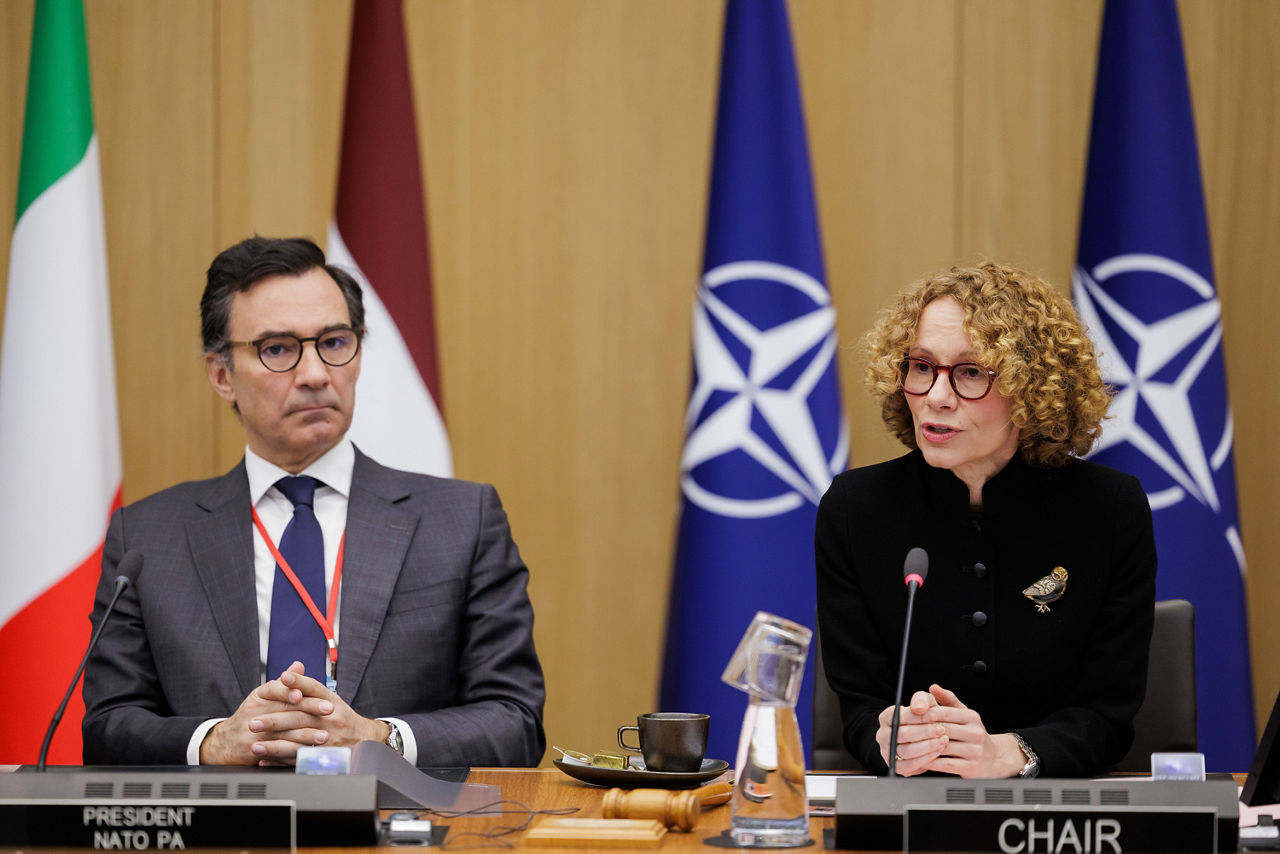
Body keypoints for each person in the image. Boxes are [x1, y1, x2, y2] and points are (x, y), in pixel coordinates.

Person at [82, 236, 545, 768]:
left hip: (398, 818)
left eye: (334, 342)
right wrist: (214, 742)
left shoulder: (462, 522)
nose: (316, 374)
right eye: (278, 349)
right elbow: (108, 727)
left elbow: (516, 720)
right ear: (221, 375)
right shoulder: (147, 539)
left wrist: (380, 739)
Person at [815, 262, 1156, 778]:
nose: (936, 397)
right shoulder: (854, 508)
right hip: (910, 800)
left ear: (1033, 389)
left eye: (971, 372)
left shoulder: (1110, 509)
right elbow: (860, 705)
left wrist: (1008, 753)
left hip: (1054, 808)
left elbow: (1107, 712)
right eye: (921, 366)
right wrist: (891, 737)